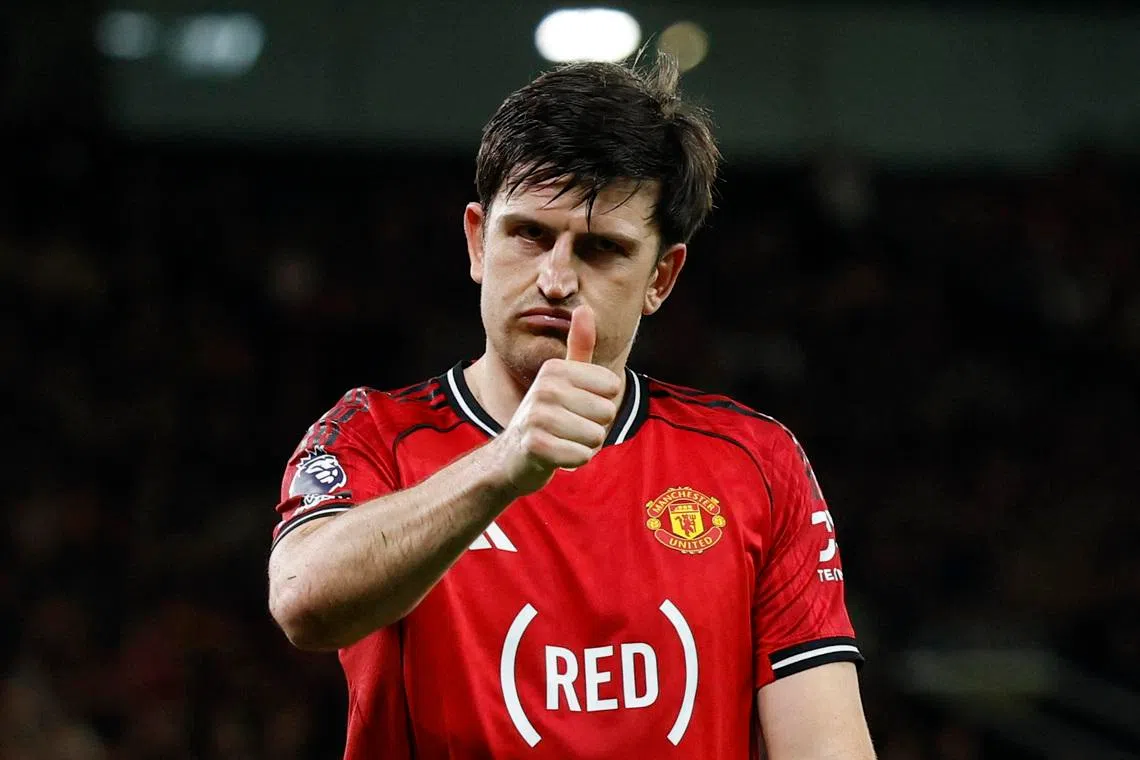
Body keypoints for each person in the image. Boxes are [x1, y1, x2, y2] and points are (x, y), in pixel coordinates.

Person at [267, 54, 874, 759]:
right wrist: (504, 463)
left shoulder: (756, 463)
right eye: (528, 234)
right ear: (476, 240)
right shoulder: (371, 435)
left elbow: (826, 744)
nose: (555, 279)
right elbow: (303, 601)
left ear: (661, 278)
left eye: (601, 249)